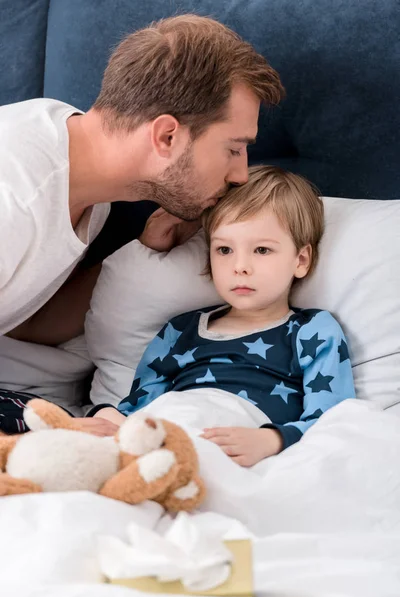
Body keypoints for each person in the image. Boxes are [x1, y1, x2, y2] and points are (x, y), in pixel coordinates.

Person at [0, 15, 284, 435]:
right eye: (234, 148)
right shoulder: (16, 197)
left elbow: (23, 320)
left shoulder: (78, 160)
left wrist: (140, 258)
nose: (241, 174)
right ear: (167, 136)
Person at [93, 165, 355, 466]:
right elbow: (138, 409)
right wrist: (106, 416)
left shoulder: (311, 330)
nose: (240, 266)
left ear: (301, 259)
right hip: (168, 435)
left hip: (240, 447)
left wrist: (271, 440)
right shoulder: (180, 330)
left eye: (262, 250)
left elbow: (333, 419)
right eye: (224, 250)